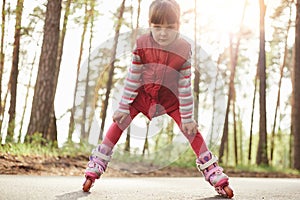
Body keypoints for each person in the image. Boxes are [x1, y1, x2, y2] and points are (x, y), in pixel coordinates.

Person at [82, 0, 234, 198]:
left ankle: (212, 170)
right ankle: (98, 161)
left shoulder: (183, 49)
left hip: (170, 99)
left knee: (191, 129)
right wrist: (123, 106)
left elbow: (185, 86)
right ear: (150, 25)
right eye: (157, 27)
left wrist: (187, 118)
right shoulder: (141, 45)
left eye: (170, 27)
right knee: (119, 121)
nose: (163, 33)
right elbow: (133, 77)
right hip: (142, 94)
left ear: (178, 26)